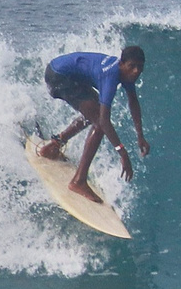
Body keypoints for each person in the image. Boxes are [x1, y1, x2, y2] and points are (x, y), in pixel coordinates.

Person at [39, 45, 148, 204]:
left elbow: (133, 101)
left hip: (64, 73)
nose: (136, 71)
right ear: (121, 64)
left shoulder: (128, 75)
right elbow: (104, 121)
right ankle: (78, 181)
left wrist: (140, 136)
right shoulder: (110, 77)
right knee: (99, 122)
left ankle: (55, 145)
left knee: (94, 110)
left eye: (140, 67)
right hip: (58, 76)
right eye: (132, 66)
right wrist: (123, 153)